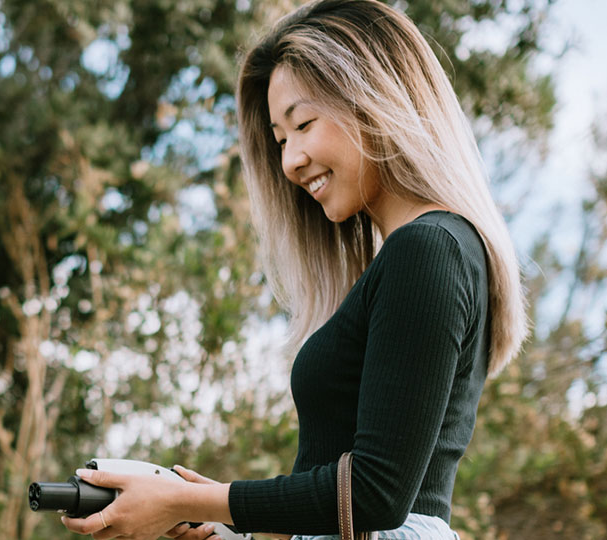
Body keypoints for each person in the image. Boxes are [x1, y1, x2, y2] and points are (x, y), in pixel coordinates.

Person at [60, 1, 528, 538]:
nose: (290, 162)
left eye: (303, 124)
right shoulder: (416, 255)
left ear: (375, 99)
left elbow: (375, 497)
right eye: (281, 140)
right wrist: (223, 526)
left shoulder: (429, 249)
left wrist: (190, 498)